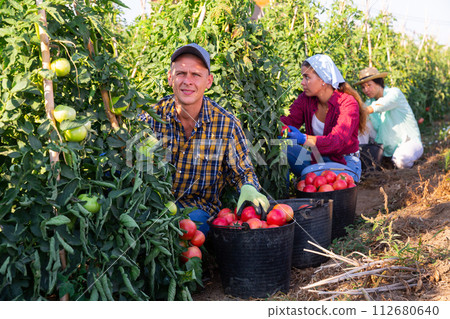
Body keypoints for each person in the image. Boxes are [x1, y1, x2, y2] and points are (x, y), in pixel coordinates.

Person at [138, 43, 269, 234]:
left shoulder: (226, 124)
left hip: (198, 208)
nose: (187, 81)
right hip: (154, 202)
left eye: (196, 75)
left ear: (208, 81)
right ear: (169, 78)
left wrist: (249, 187)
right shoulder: (151, 117)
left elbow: (242, 170)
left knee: (184, 230)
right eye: (181, 73)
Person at [280, 54, 367, 182]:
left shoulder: (347, 103)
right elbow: (288, 120)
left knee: (321, 180)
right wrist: (280, 128)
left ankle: (310, 181)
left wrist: (304, 139)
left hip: (345, 161)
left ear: (323, 80)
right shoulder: (305, 99)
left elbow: (337, 142)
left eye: (307, 77)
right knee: (280, 147)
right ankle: (284, 194)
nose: (302, 82)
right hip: (316, 158)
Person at [355, 67, 423, 169]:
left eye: (369, 85)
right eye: (363, 87)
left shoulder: (394, 93)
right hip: (386, 149)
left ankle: (401, 160)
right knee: (363, 122)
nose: (366, 90)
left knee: (401, 161)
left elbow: (384, 104)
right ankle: (361, 157)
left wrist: (361, 111)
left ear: (379, 83)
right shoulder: (368, 103)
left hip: (409, 142)